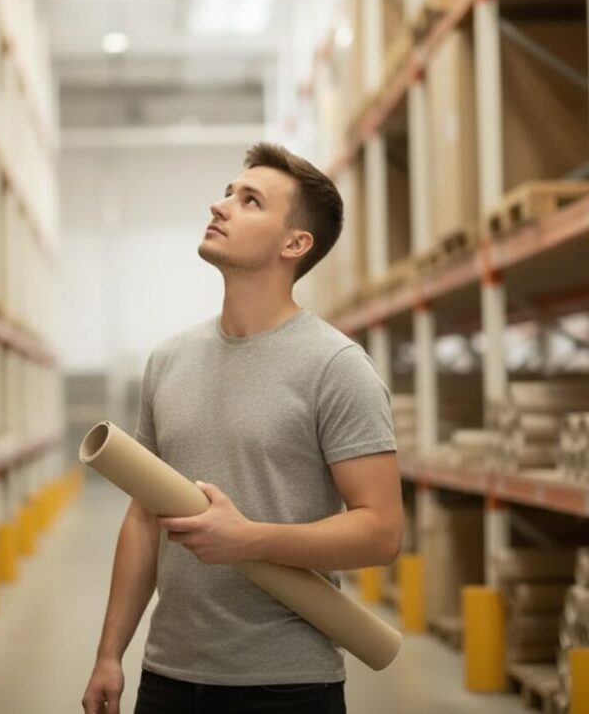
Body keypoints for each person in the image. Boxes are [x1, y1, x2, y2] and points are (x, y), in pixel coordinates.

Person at [81, 142, 403, 714]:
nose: (221, 204)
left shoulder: (336, 366)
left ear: (294, 244)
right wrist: (111, 653)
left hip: (288, 683)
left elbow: (381, 532)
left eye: (249, 200)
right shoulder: (169, 360)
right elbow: (141, 519)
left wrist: (247, 539)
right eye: (229, 191)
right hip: (168, 675)